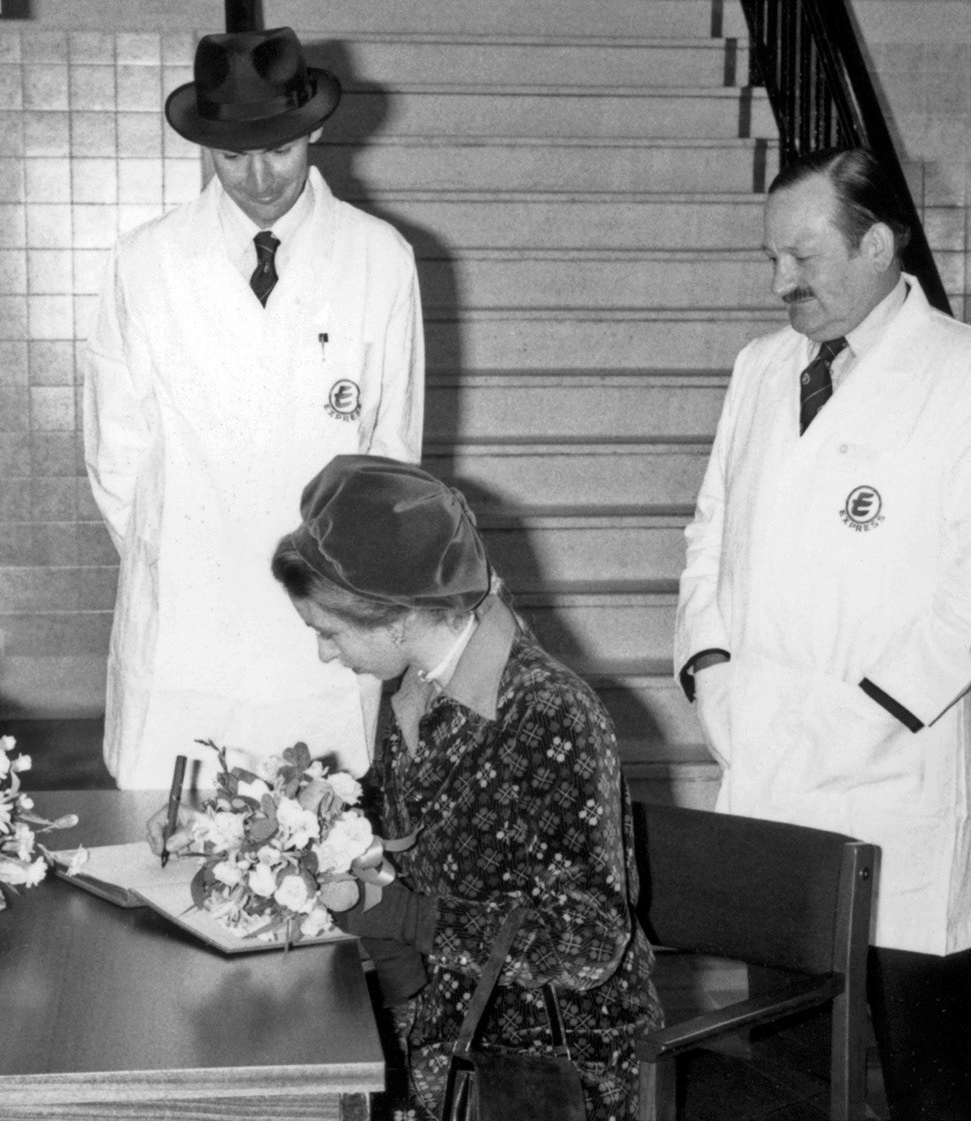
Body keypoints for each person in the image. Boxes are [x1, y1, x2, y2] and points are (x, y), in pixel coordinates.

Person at [673, 147, 971, 1120]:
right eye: (770, 258)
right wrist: (709, 665)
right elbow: (710, 525)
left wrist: (865, 712)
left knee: (923, 1067)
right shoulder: (761, 368)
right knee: (790, 1058)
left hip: (892, 769)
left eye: (802, 256)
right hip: (768, 759)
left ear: (878, 244)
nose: (779, 281)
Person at [256, 454, 660, 1121]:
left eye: (329, 632)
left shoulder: (550, 712)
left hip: (546, 1065)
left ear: (398, 615)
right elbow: (420, 830)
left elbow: (588, 941)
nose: (326, 653)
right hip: (449, 1023)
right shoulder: (417, 685)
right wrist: (299, 818)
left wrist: (412, 918)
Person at [84, 26, 423, 791]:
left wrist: (345, 601)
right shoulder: (146, 264)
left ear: (315, 129)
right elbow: (116, 459)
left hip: (321, 635)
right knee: (166, 867)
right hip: (184, 638)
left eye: (278, 149)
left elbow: (394, 457)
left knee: (320, 869)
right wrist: (179, 557)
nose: (259, 178)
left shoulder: (380, 261)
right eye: (232, 156)